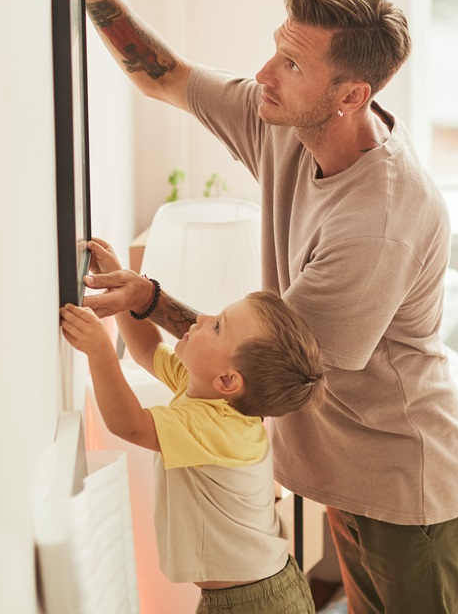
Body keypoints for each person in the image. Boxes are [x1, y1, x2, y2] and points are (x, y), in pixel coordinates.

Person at [66, 0, 458, 614]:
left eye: (292, 64)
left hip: (404, 480)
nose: (263, 75)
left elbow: (258, 361)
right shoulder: (287, 121)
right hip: (346, 471)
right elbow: (163, 78)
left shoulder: (377, 223)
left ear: (353, 95)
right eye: (274, 51)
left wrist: (149, 302)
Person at [60, 238, 323, 614]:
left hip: (255, 603)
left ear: (228, 381)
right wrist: (126, 295)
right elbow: (148, 351)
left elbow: (130, 426)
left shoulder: (216, 426)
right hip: (251, 593)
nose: (199, 319)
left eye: (217, 327)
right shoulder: (206, 390)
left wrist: (101, 352)